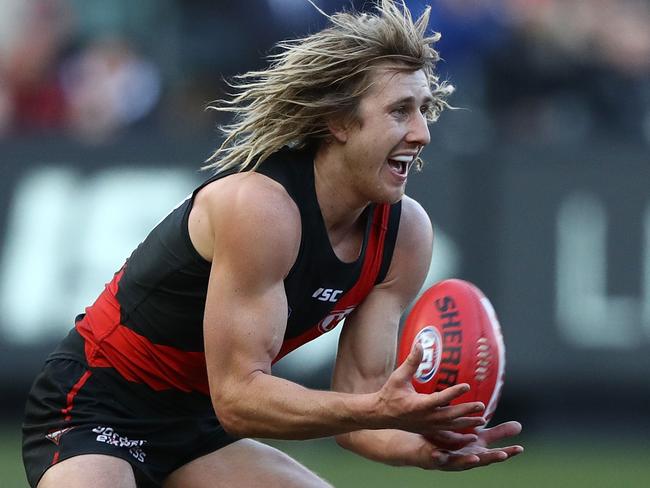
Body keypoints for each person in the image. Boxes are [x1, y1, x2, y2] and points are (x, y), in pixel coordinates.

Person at [22, 1, 523, 486]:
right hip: (93, 406)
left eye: (424, 110)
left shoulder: (404, 234)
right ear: (339, 122)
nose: (422, 133)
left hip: (195, 427)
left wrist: (419, 446)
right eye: (400, 111)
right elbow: (240, 397)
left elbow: (360, 403)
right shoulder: (259, 207)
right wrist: (376, 410)